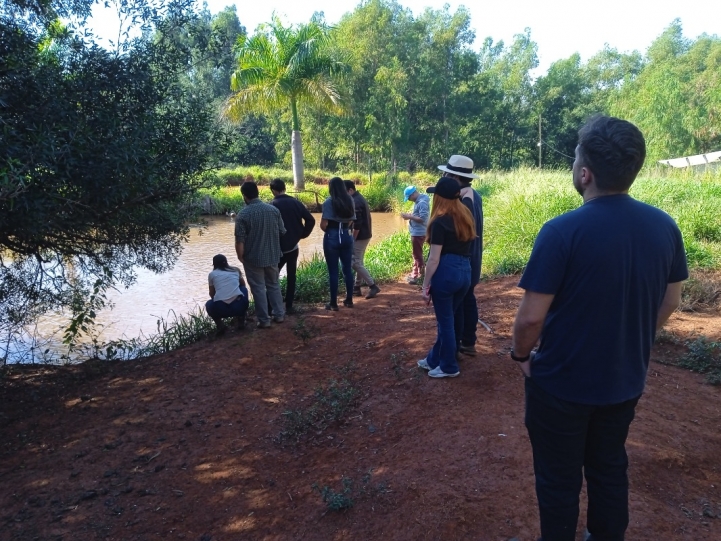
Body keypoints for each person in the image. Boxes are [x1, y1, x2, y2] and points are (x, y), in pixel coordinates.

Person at [511, 116, 688, 541]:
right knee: (609, 467)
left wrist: (521, 356)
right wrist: (637, 341)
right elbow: (672, 300)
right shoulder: (665, 227)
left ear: (585, 173)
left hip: (560, 384)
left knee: (558, 479)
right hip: (623, 381)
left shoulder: (560, 231)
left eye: (575, 157)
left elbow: (531, 318)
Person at [416, 177, 475, 378]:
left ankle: (449, 366)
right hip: (465, 272)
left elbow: (433, 260)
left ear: (439, 198)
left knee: (445, 323)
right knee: (448, 319)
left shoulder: (439, 222)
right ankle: (433, 359)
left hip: (447, 273)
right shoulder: (466, 216)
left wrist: (425, 286)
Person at [436, 155, 483, 357]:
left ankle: (458, 345)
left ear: (454, 176)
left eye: (447, 174)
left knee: (460, 304)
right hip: (471, 257)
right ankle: (466, 342)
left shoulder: (462, 199)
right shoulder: (473, 194)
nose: (444, 176)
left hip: (463, 259)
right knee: (466, 299)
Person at [235, 181, 287, 329]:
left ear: (244, 196)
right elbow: (282, 231)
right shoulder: (273, 210)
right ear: (257, 193)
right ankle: (279, 315)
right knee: (274, 285)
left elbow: (240, 241)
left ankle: (264, 320)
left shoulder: (243, 215)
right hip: (272, 255)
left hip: (253, 258)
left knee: (258, 288)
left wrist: (241, 257)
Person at [268, 179, 316, 314]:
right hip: (293, 247)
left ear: (273, 190)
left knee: (272, 279)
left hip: (277, 249)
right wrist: (302, 234)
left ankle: (269, 307)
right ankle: (289, 306)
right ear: (284, 188)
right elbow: (310, 220)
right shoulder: (295, 202)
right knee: (291, 276)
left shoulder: (271, 205)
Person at [320, 177, 355, 311]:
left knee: (333, 271)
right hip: (346, 235)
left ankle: (333, 303)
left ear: (331, 188)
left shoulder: (329, 202)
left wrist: (331, 232)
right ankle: (349, 299)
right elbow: (352, 221)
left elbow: (323, 224)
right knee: (347, 269)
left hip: (332, 236)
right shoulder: (350, 200)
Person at [344, 180, 381, 300]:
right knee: (359, 261)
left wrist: (352, 239)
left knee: (354, 262)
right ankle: (356, 287)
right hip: (365, 234)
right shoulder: (358, 197)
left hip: (360, 236)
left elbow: (357, 224)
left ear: (350, 190)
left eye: (344, 192)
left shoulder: (355, 201)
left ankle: (372, 285)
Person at [205, 254, 249, 337]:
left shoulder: (212, 274)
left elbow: (212, 294)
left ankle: (220, 325)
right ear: (226, 262)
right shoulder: (235, 270)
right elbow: (243, 284)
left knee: (208, 304)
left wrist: (220, 300)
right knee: (243, 289)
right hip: (239, 307)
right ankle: (241, 320)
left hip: (221, 309)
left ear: (214, 264)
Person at [401, 185, 430, 285]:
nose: (409, 200)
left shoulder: (422, 203)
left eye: (409, 197)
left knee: (417, 255)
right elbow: (419, 215)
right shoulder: (420, 201)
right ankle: (415, 273)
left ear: (413, 194)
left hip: (419, 233)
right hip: (418, 232)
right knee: (416, 254)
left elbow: (422, 218)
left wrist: (409, 216)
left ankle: (421, 276)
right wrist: (412, 215)